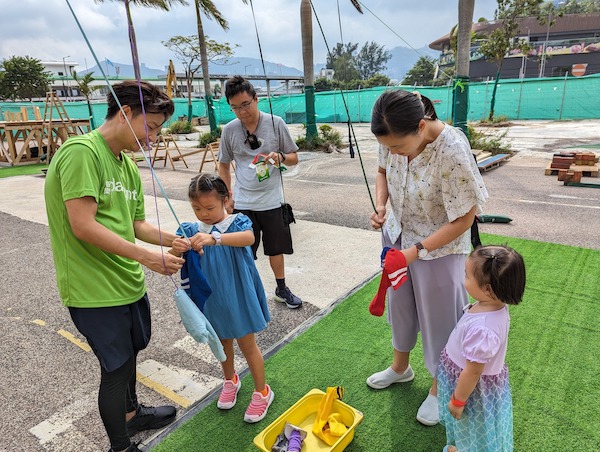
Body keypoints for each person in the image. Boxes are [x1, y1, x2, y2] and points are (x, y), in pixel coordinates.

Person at [44, 81, 185, 452]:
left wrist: (173, 240)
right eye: (151, 127)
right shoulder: (82, 153)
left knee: (131, 354)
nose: (154, 137)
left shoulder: (126, 164)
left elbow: (136, 223)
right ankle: (120, 447)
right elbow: (83, 224)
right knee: (116, 368)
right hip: (93, 290)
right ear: (125, 114)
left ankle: (131, 413)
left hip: (126, 282)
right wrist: (146, 257)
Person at [366, 90, 489, 426]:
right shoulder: (391, 131)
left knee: (441, 322)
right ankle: (400, 368)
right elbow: (381, 172)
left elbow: (465, 218)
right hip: (398, 238)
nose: (393, 153)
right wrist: (381, 206)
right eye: (388, 147)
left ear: (421, 126)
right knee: (400, 307)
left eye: (398, 147)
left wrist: (416, 251)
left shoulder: (452, 149)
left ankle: (439, 387)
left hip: (440, 250)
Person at [170, 174, 274, 423]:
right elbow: (172, 252)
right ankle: (230, 380)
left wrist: (214, 238)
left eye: (209, 208)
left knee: (248, 345)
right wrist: (177, 247)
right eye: (197, 208)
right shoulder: (191, 230)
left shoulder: (237, 222)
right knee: (222, 342)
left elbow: (249, 238)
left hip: (237, 294)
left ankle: (262, 392)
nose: (203, 214)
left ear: (226, 201)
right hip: (212, 298)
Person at [217, 75, 302, 309]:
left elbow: (294, 158)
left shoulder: (276, 123)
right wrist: (227, 196)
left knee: (276, 249)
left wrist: (281, 157)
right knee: (244, 253)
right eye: (235, 107)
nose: (242, 112)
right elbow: (223, 164)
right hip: (243, 202)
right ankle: (247, 292)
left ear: (256, 99)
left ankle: (281, 288)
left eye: (245, 104)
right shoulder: (230, 131)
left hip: (272, 201)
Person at [438, 245, 526, 452]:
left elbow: (473, 370)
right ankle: (461, 446)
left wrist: (458, 401)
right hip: (470, 383)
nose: (463, 279)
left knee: (471, 425)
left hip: (471, 390)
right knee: (468, 425)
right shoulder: (493, 306)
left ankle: (466, 448)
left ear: (487, 289)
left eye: (467, 276)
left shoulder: (483, 329)